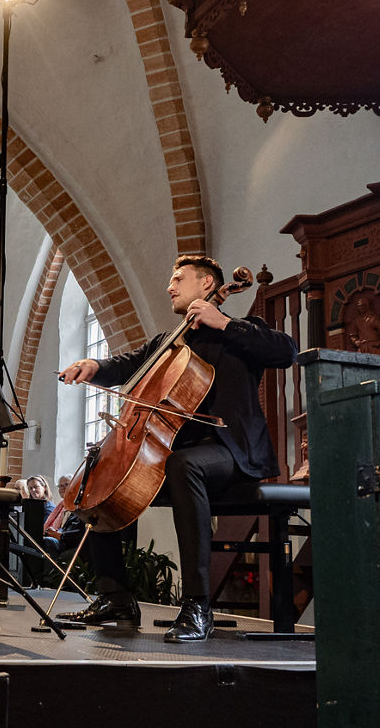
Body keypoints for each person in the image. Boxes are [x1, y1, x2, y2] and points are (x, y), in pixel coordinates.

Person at [57, 255, 297, 641]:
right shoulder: (168, 342)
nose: (170, 286)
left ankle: (198, 606)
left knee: (185, 465)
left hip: (231, 452)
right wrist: (93, 366)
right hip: (173, 454)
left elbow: (286, 351)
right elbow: (127, 364)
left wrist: (224, 323)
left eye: (178, 279)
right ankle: (115, 597)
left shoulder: (243, 330)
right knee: (96, 478)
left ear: (207, 285)